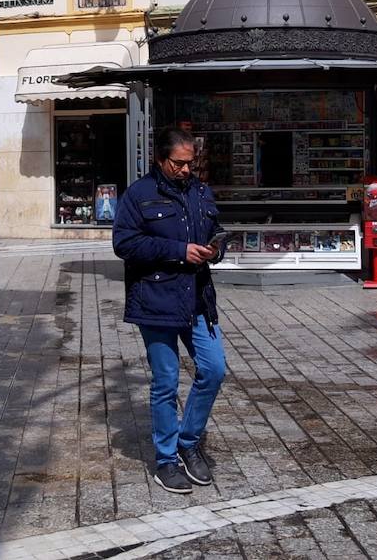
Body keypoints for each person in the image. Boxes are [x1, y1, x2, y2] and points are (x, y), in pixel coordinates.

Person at [112, 126, 227, 494]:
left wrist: (214, 249)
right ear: (160, 160)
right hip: (156, 301)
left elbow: (216, 229)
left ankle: (188, 442)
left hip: (197, 300)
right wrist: (179, 251)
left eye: (190, 164)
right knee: (165, 382)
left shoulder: (200, 191)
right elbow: (125, 243)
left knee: (214, 369)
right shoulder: (138, 195)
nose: (185, 171)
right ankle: (165, 460)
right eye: (178, 164)